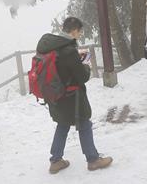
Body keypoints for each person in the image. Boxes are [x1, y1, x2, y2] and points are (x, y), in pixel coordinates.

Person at [35, 17, 113, 174]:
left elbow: (61, 67)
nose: (80, 34)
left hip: (55, 94)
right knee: (84, 123)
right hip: (72, 97)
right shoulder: (68, 50)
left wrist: (76, 58)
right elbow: (82, 76)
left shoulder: (53, 46)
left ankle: (55, 161)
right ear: (75, 31)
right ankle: (93, 160)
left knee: (63, 124)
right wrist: (85, 66)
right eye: (80, 31)